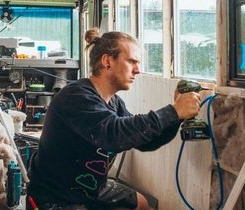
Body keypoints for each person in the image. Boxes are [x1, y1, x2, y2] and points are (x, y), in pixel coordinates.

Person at [26, 28, 201, 210]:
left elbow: (145, 141)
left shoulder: (114, 103)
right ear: (107, 61)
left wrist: (177, 116)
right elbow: (114, 134)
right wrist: (173, 111)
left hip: (92, 190)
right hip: (55, 198)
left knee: (141, 204)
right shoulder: (75, 96)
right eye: (132, 61)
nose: (138, 70)